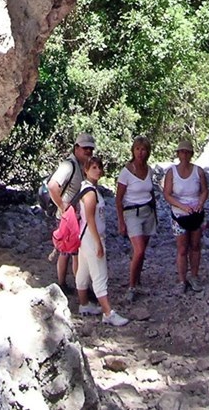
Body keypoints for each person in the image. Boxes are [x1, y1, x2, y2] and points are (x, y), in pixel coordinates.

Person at [75, 156, 129, 326]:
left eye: (99, 167)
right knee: (99, 273)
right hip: (92, 236)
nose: (98, 171)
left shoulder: (85, 188)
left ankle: (84, 304)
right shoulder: (90, 192)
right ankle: (108, 312)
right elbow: (90, 218)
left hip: (83, 236)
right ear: (86, 170)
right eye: (94, 168)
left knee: (83, 271)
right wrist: (98, 242)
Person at [48, 133, 96, 291]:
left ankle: (70, 285)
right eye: (85, 148)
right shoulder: (69, 165)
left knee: (70, 252)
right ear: (76, 148)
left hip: (75, 217)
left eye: (90, 149)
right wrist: (63, 206)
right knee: (71, 252)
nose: (88, 151)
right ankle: (74, 287)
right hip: (67, 217)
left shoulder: (82, 166)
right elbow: (52, 185)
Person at [162, 139, 209, 293]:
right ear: (177, 154)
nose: (184, 154)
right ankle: (182, 280)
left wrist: (200, 203)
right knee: (182, 248)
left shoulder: (198, 171)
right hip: (179, 215)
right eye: (182, 151)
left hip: (196, 213)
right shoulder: (171, 172)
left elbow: (204, 190)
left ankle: (194, 277)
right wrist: (182, 206)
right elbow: (167, 194)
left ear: (191, 154)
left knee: (195, 246)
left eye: (187, 151)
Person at [116, 136, 156, 302]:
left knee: (141, 252)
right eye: (138, 149)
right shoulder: (126, 172)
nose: (140, 152)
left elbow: (151, 192)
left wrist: (156, 214)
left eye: (144, 149)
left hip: (148, 211)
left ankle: (137, 282)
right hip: (132, 213)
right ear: (133, 150)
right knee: (138, 250)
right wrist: (120, 221)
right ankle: (131, 287)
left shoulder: (149, 170)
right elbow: (118, 198)